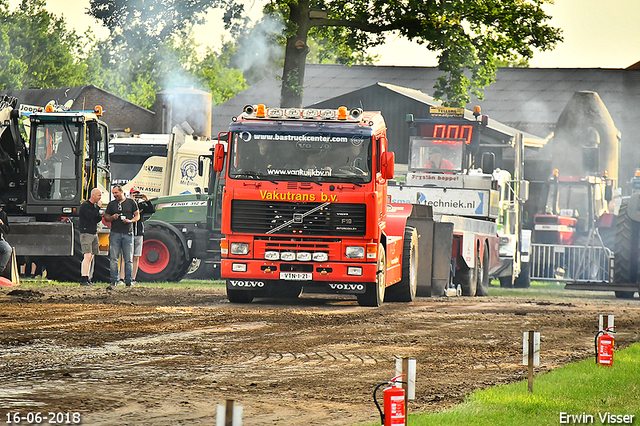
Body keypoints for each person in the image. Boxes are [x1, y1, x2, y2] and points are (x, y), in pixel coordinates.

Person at [104, 185, 139, 287]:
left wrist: (130, 221)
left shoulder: (131, 202)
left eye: (116, 193)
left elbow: (137, 215)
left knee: (128, 258)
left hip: (128, 233)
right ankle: (114, 280)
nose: (115, 195)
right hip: (115, 233)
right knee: (114, 258)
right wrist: (112, 217)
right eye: (113, 193)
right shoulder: (112, 204)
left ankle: (129, 281)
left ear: (121, 192)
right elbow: (106, 217)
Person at [119, 187, 154, 285]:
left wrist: (146, 199)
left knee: (136, 256)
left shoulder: (142, 205)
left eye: (138, 194)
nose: (136, 196)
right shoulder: (126, 204)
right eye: (134, 194)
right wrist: (131, 200)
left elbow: (152, 210)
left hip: (138, 233)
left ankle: (133, 279)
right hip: (128, 232)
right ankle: (122, 278)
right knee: (125, 257)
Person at [78, 188, 104, 286]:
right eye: (99, 195)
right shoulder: (85, 205)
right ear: (93, 195)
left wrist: (100, 216)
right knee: (87, 256)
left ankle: (88, 277)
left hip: (93, 232)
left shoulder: (93, 206)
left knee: (92, 256)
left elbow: (94, 219)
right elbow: (89, 216)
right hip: (86, 233)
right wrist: (97, 208)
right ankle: (83, 278)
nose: (100, 198)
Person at [0, 202, 12, 275]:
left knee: (8, 249)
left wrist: (2, 224)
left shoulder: (3, 214)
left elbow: (7, 230)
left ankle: (0, 269)